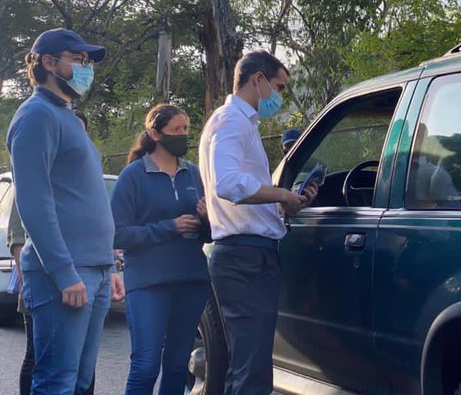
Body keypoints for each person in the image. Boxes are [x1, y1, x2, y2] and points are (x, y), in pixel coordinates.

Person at [6, 28, 124, 395]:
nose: (86, 68)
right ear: (48, 62)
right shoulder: (36, 116)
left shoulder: (68, 118)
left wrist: (110, 266)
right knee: (56, 382)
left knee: (79, 382)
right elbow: (34, 202)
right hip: (66, 275)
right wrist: (63, 272)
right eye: (79, 60)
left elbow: (82, 199)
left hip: (96, 270)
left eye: (87, 61)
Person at [199, 50, 317, 395]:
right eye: (279, 86)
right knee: (251, 371)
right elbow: (228, 183)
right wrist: (281, 196)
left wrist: (287, 202)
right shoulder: (233, 120)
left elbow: (240, 193)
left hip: (246, 255)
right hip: (245, 258)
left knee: (250, 365)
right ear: (258, 79)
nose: (278, 96)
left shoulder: (233, 121)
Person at [111, 103, 211, 395]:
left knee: (179, 365)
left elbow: (211, 234)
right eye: (175, 130)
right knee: (145, 365)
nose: (183, 136)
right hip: (148, 283)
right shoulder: (133, 176)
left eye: (186, 129)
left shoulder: (194, 174)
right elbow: (118, 234)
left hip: (191, 281)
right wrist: (169, 227)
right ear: (155, 134)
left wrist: (206, 220)